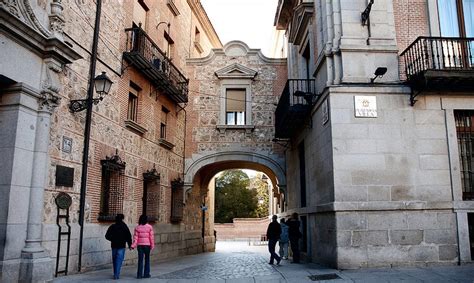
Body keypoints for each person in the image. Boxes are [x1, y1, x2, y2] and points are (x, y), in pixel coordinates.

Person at [105, 214, 132, 280]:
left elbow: (107, 236)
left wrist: (112, 239)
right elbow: (128, 236)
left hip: (114, 245)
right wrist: (130, 245)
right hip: (121, 246)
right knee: (119, 260)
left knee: (114, 260)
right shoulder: (124, 227)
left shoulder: (112, 226)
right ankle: (116, 274)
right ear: (122, 219)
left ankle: (115, 274)